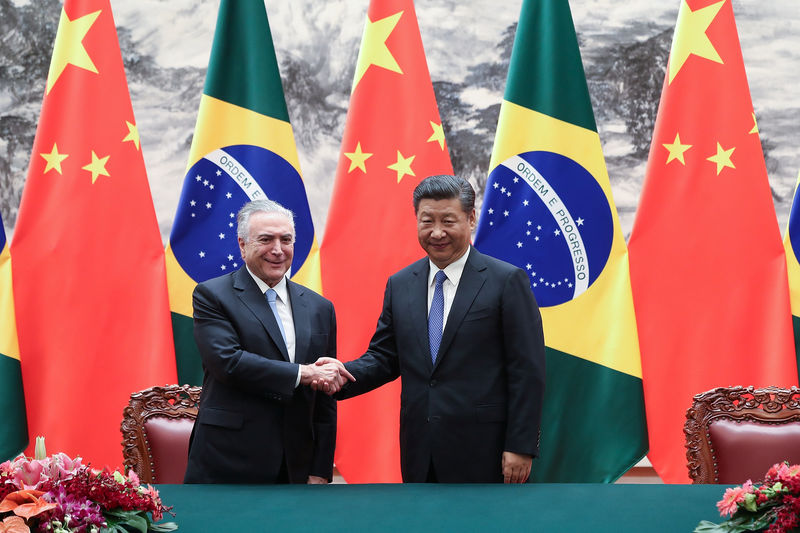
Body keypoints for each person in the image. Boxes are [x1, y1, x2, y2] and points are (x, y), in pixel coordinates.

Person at [318, 174, 546, 483]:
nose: (437, 232)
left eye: (448, 221)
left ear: (471, 218)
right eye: (427, 221)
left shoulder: (505, 281)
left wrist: (520, 445)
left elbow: (527, 370)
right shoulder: (400, 284)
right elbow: (385, 357)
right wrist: (338, 376)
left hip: (487, 451)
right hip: (420, 450)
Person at [184, 198, 351, 484]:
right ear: (242, 245)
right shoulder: (212, 295)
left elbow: (324, 400)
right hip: (228, 460)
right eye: (266, 239)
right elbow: (228, 362)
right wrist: (304, 372)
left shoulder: (320, 307)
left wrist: (320, 469)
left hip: (295, 465)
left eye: (286, 239)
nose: (277, 249)